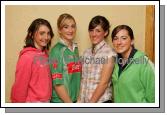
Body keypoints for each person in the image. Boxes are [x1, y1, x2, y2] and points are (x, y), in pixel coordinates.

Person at [11, 18, 54, 103]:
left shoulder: (45, 54)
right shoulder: (26, 57)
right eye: (42, 33)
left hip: (46, 102)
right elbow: (20, 86)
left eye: (48, 33)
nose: (46, 37)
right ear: (31, 34)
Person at [111, 24, 155, 103]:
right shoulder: (116, 62)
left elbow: (154, 96)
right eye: (115, 38)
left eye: (124, 38)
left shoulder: (144, 62)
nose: (119, 42)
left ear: (132, 41)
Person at [78, 15, 116, 103]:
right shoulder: (86, 53)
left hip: (101, 102)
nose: (93, 34)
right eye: (91, 30)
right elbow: (83, 79)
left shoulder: (109, 53)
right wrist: (79, 101)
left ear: (105, 32)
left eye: (98, 31)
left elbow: (103, 84)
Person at [49, 13, 81, 103]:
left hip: (74, 101)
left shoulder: (75, 48)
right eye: (66, 27)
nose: (70, 30)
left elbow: (76, 76)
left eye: (73, 26)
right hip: (61, 102)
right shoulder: (56, 51)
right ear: (59, 30)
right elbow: (57, 83)